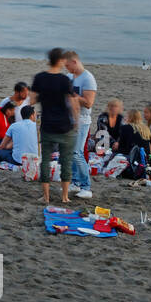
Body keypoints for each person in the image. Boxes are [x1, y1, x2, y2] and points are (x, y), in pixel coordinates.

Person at [30, 48, 80, 205]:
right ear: (60, 61)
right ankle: (65, 197)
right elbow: (73, 103)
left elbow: (32, 100)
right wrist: (76, 121)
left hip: (48, 125)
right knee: (66, 160)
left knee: (45, 160)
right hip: (65, 126)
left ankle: (46, 196)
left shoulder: (39, 78)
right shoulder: (65, 80)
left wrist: (44, 95)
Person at [63, 50, 97, 199]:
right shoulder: (69, 77)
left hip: (82, 120)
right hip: (69, 119)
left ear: (75, 62)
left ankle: (86, 187)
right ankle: (75, 182)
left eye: (68, 65)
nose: (66, 68)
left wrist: (74, 96)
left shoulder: (88, 79)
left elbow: (89, 103)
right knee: (70, 153)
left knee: (77, 153)